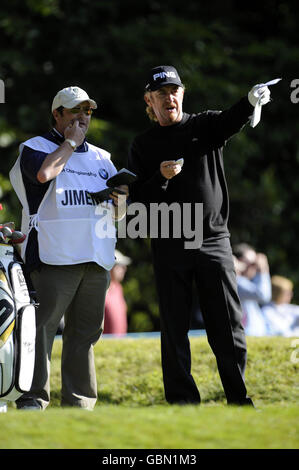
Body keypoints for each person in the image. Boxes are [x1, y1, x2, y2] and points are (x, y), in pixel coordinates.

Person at [128, 64, 272, 406]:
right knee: (174, 328)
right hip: (168, 241)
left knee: (228, 325)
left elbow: (231, 119)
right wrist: (161, 177)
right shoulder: (143, 145)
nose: (169, 98)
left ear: (182, 93)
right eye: (160, 93)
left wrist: (251, 100)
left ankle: (238, 398)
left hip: (212, 240)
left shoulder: (204, 125)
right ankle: (183, 404)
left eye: (174, 91)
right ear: (149, 100)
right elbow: (135, 203)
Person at [9, 86, 128, 410]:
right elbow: (45, 173)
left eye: (87, 111)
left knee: (85, 334)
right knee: (42, 331)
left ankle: (80, 405)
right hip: (52, 257)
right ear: (57, 114)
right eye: (74, 110)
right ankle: (33, 399)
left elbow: (117, 213)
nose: (82, 117)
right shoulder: (33, 147)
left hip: (96, 257)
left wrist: (120, 199)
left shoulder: (103, 157)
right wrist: (70, 144)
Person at [233, 243, 272, 336]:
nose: (255, 267)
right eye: (252, 264)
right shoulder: (236, 282)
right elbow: (263, 296)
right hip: (246, 337)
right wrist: (263, 270)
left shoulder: (245, 283)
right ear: (238, 262)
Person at [103, 249, 131, 335]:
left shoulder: (118, 288)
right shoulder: (100, 291)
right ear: (109, 267)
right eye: (120, 266)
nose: (124, 269)